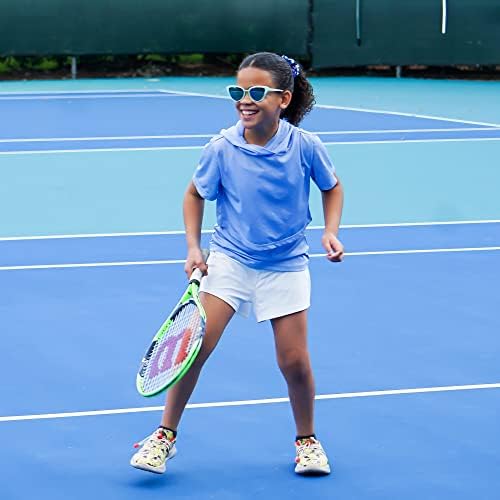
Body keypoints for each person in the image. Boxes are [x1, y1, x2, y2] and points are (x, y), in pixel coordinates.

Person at [131, 52, 344, 476]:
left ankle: (307, 441)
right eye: (237, 91)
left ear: (283, 99)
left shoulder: (305, 146)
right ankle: (163, 437)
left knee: (294, 362)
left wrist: (330, 230)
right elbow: (194, 194)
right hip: (229, 261)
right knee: (192, 351)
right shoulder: (221, 147)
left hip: (285, 264)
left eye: (256, 92)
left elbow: (332, 187)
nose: (244, 100)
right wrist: (193, 246)